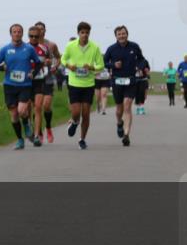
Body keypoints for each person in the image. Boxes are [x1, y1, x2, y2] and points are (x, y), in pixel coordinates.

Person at [0, 24, 44, 149]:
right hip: (9, 85)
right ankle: (20, 140)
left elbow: (38, 63)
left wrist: (33, 73)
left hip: (25, 85)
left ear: (22, 34)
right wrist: (2, 68)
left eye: (19, 32)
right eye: (14, 32)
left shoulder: (29, 49)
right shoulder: (5, 49)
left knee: (22, 110)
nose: (17, 34)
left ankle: (26, 125)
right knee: (14, 115)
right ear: (11, 34)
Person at [61, 22, 104, 150]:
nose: (85, 35)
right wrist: (69, 66)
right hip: (74, 83)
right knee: (75, 113)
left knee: (86, 113)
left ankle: (82, 139)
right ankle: (74, 122)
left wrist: (91, 67)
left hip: (88, 84)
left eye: (87, 33)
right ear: (78, 33)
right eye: (82, 32)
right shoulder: (70, 46)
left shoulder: (95, 47)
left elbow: (101, 65)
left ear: (89, 33)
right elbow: (63, 59)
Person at [103, 25, 146, 147]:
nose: (122, 36)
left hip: (131, 81)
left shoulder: (134, 46)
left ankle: (126, 135)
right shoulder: (111, 49)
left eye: (123, 33)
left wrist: (140, 67)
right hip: (117, 81)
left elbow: (142, 60)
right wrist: (113, 65)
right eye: (119, 34)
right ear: (116, 36)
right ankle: (119, 122)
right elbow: (104, 62)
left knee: (127, 106)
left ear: (127, 34)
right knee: (119, 109)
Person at [33, 21, 61, 143]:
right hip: (35, 79)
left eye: (42, 29)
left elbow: (58, 57)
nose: (40, 31)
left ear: (45, 31)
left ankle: (48, 127)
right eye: (37, 29)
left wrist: (55, 66)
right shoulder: (30, 46)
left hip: (48, 78)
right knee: (37, 107)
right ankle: (38, 132)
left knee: (46, 105)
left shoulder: (51, 45)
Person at [27, 25, 52, 147]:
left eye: (36, 36)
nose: (33, 38)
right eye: (31, 36)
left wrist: (48, 63)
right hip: (26, 82)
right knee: (27, 108)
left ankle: (37, 136)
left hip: (39, 80)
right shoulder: (24, 48)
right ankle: (29, 126)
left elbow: (49, 61)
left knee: (38, 107)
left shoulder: (44, 48)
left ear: (40, 36)